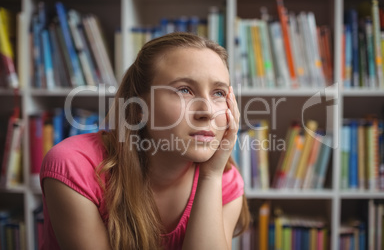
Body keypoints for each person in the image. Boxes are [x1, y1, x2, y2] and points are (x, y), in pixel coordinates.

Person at [40, 32, 251, 250]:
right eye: (184, 90)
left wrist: (211, 177)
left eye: (219, 93)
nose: (207, 112)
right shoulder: (75, 166)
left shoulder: (223, 180)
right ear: (139, 107)